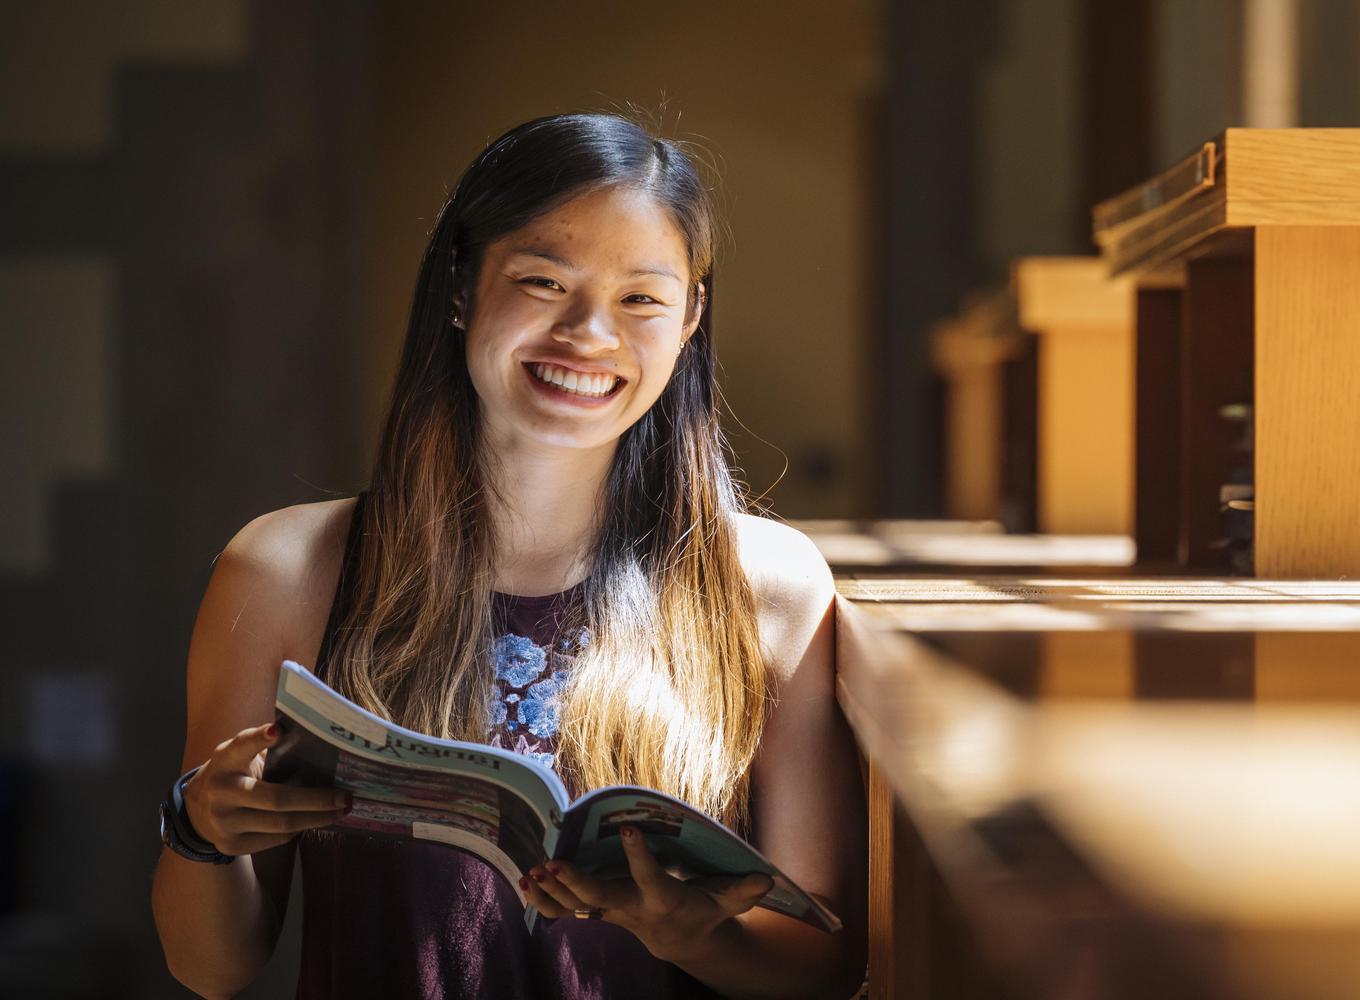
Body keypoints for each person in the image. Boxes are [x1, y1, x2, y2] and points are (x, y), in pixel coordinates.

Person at [150, 113, 866, 999]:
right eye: (542, 280)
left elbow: (825, 964)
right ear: (460, 288)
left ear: (690, 320)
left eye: (641, 298)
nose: (591, 334)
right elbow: (211, 969)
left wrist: (696, 941)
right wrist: (202, 832)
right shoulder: (286, 568)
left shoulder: (768, 587)